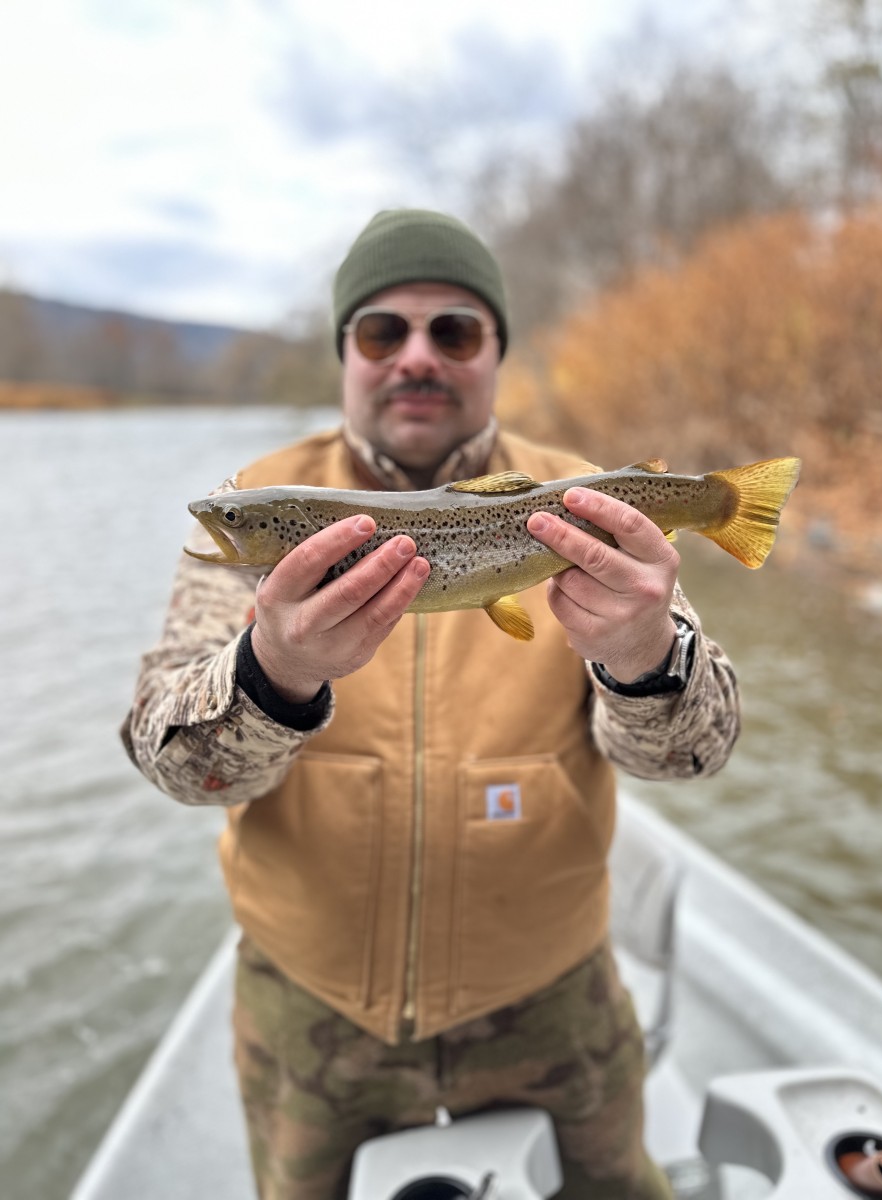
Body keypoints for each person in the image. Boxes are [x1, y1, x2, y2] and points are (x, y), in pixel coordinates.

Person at [122, 208, 740, 1200]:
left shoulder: (588, 504)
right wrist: (269, 677)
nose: (418, 357)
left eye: (454, 331)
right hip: (308, 1020)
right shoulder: (258, 507)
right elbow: (174, 765)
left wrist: (643, 657)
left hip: (555, 1005)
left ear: (495, 352)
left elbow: (693, 757)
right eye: (382, 332)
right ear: (345, 354)